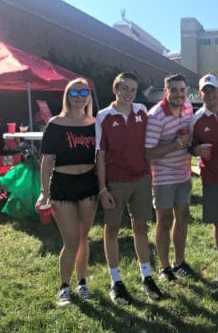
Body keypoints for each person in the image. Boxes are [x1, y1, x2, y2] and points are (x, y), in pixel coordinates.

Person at [96, 72, 162, 304]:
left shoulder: (142, 111)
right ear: (115, 88)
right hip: (115, 182)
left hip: (142, 179)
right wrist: (102, 189)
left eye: (133, 89)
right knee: (112, 229)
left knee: (141, 227)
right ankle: (116, 281)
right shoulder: (103, 116)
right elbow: (100, 155)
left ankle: (146, 276)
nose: (128, 93)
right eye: (124, 88)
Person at [36, 78, 98, 307]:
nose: (80, 96)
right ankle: (64, 287)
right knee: (71, 240)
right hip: (62, 184)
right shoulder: (56, 123)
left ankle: (82, 283)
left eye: (84, 91)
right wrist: (44, 191)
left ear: (89, 96)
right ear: (67, 96)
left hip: (88, 184)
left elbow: (101, 156)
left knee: (83, 237)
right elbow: (47, 160)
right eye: (75, 92)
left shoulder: (94, 122)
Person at [145, 73, 195, 281]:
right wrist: (177, 144)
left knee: (182, 217)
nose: (178, 94)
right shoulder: (156, 116)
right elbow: (147, 153)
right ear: (165, 92)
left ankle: (179, 262)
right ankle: (164, 268)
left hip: (184, 173)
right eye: (173, 90)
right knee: (164, 221)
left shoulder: (189, 107)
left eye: (182, 90)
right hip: (163, 176)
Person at [190, 74, 218, 285]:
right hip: (214, 179)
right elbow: (191, 145)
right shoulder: (196, 119)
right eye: (205, 91)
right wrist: (196, 149)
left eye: (212, 89)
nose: (209, 94)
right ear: (200, 94)